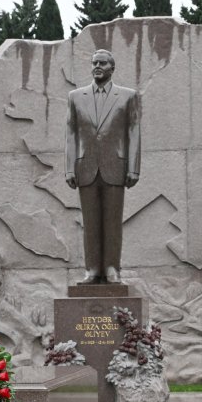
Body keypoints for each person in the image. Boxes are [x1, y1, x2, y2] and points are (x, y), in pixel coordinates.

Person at [65, 49, 141, 284]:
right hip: (86, 167)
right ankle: (92, 269)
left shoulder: (128, 96)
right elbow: (70, 134)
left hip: (115, 167)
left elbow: (134, 132)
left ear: (112, 68)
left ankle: (111, 268)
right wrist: (69, 168)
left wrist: (134, 167)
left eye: (103, 63)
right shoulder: (76, 97)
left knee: (112, 221)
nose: (97, 66)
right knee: (90, 223)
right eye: (94, 63)